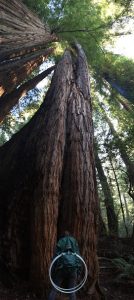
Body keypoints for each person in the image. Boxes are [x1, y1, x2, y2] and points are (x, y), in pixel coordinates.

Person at [48, 231, 81, 300]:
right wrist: (79, 272)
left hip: (61, 269)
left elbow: (56, 258)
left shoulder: (60, 242)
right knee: (72, 291)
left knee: (54, 289)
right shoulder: (74, 241)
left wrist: (52, 272)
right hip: (73, 269)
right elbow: (78, 257)